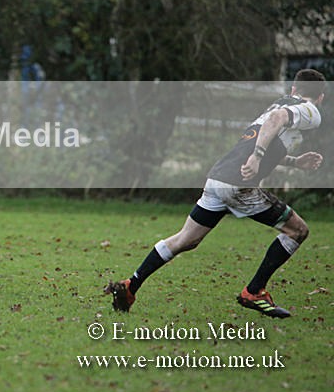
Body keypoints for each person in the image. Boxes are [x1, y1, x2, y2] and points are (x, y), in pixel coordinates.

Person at [106, 69, 326, 318]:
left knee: (186, 239)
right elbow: (275, 122)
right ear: (321, 97)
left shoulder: (278, 103)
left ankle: (130, 286)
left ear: (294, 89)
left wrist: (294, 162)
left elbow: (262, 137)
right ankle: (254, 291)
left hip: (218, 178)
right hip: (238, 185)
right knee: (298, 230)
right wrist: (257, 157)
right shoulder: (309, 110)